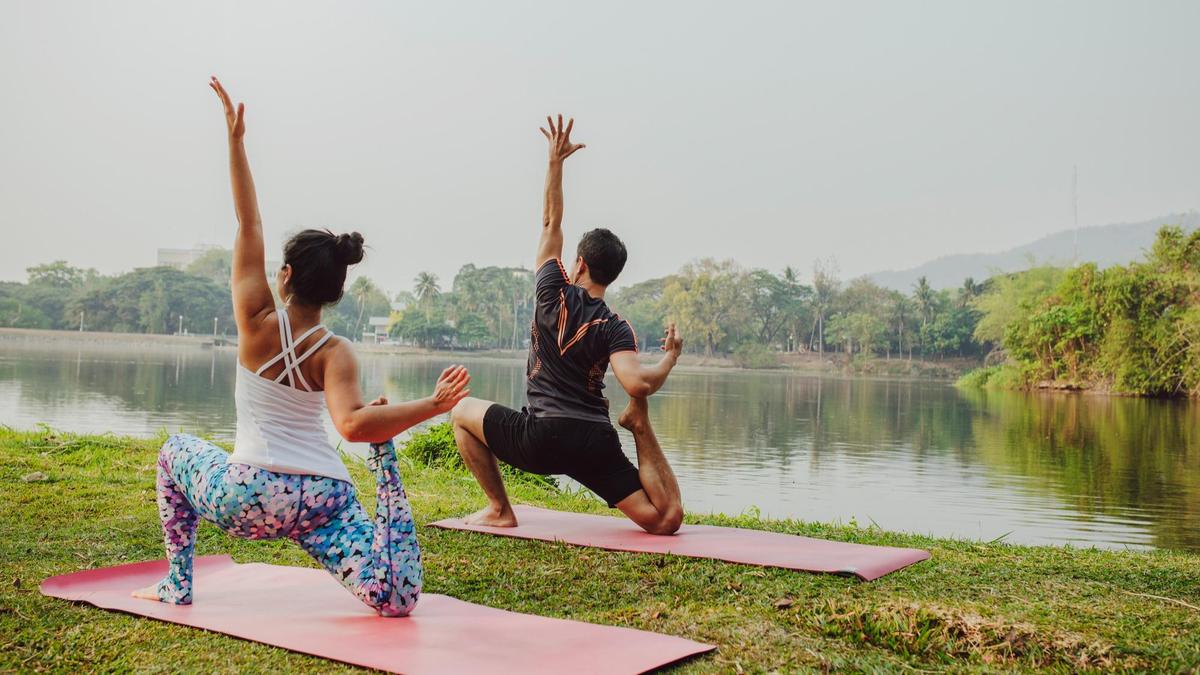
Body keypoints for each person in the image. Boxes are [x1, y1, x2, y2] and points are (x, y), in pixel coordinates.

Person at [132, 77, 471, 617]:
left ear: (284, 275)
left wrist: (236, 142)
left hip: (246, 498)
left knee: (174, 450)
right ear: (338, 290)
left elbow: (249, 223)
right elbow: (354, 426)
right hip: (320, 501)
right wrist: (432, 406)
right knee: (394, 602)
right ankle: (387, 472)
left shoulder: (255, 320)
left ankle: (177, 582)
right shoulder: (337, 352)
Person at [451, 115, 684, 535]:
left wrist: (555, 163)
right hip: (593, 441)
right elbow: (637, 385)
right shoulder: (616, 326)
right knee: (665, 520)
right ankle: (640, 427)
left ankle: (499, 509)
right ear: (613, 276)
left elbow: (550, 223)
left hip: (540, 438)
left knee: (461, 411)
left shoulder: (550, 291)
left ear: (578, 263)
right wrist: (669, 358)